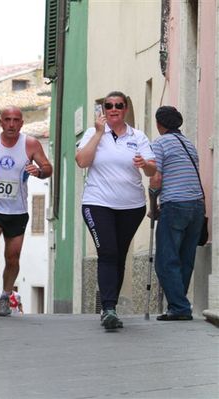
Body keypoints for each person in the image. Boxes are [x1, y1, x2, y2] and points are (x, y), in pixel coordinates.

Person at [76, 91, 156, 330]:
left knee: (119, 256)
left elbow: (152, 171)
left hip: (131, 207)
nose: (113, 109)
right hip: (97, 202)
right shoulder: (93, 133)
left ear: (126, 109)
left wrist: (146, 165)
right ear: (103, 109)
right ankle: (108, 308)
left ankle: (110, 307)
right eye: (108, 105)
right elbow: (82, 161)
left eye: (118, 105)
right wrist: (99, 133)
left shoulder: (138, 136)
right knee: (108, 252)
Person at [0, 106, 52, 317]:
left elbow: (48, 168)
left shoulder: (30, 144)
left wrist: (39, 171)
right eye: (7, 120)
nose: (12, 124)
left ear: (21, 124)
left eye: (16, 120)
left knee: (12, 256)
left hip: (17, 210)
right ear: (1, 122)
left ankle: (6, 295)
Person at [149, 106, 204, 321]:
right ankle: (178, 305)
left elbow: (156, 178)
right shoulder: (190, 145)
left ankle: (180, 307)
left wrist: (153, 205)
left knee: (165, 259)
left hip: (175, 205)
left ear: (159, 124)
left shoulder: (160, 143)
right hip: (197, 206)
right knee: (185, 258)